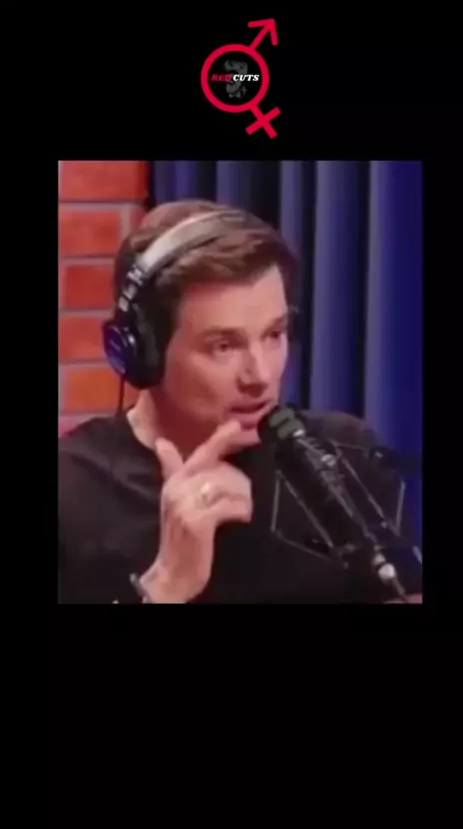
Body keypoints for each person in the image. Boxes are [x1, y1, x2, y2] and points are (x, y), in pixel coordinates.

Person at [58, 199, 422, 604]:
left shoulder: (344, 454)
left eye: (274, 335)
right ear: (146, 352)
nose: (261, 375)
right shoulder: (71, 488)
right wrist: (165, 585)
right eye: (224, 346)